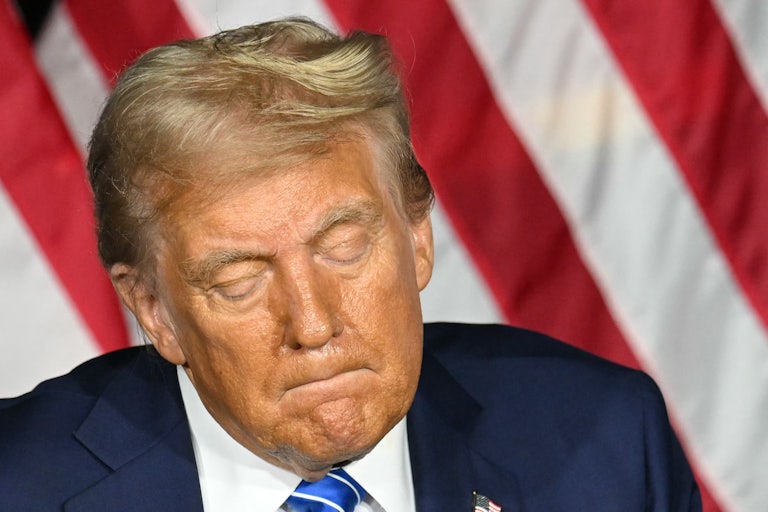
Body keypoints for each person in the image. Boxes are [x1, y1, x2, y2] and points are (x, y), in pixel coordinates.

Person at [0, 17, 700, 511]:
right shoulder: (19, 483)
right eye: (240, 282)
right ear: (154, 309)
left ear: (417, 235)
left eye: (343, 249)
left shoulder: (604, 442)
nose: (312, 323)